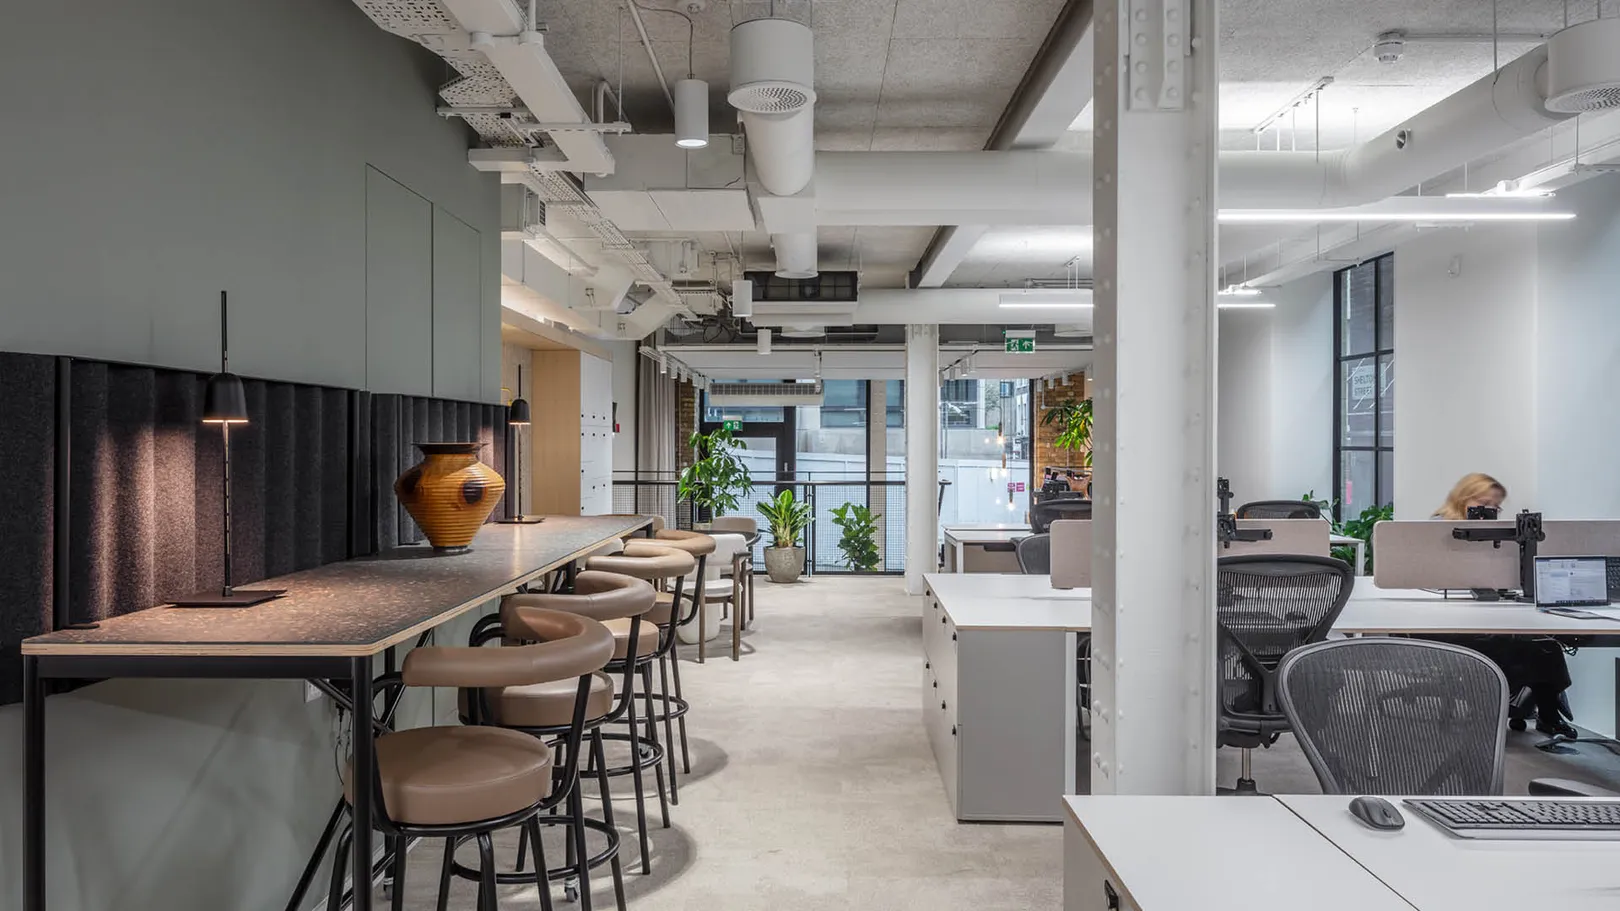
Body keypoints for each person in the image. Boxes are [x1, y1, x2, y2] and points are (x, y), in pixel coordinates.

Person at [1429, 474, 1576, 739]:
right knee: (1514, 645)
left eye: (1496, 506)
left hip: (1486, 612)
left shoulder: (1502, 534)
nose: (1489, 510)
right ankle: (1504, 707)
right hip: (1447, 619)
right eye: (1483, 503)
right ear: (1464, 499)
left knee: (1545, 643)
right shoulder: (1439, 531)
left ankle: (1546, 713)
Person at [1433, 472, 1507, 520]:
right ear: (1462, 500)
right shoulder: (1438, 526)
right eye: (1484, 503)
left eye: (1496, 506)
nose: (1491, 509)